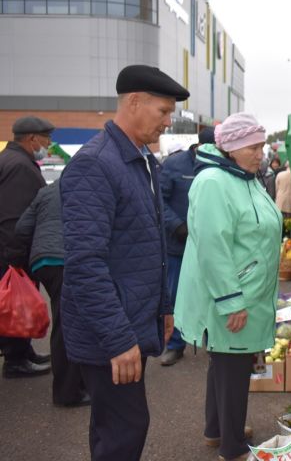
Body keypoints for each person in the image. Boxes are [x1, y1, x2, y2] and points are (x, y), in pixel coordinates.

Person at [60, 64, 187, 461]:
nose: (168, 122)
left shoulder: (141, 160)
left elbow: (147, 248)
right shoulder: (96, 164)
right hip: (108, 334)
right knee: (125, 430)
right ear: (134, 102)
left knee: (116, 427)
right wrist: (118, 340)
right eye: (163, 112)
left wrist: (163, 309)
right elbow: (85, 265)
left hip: (130, 322)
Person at [175, 113, 281, 461]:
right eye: (253, 147)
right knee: (233, 367)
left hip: (247, 288)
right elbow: (212, 246)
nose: (260, 153)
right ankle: (233, 446)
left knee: (223, 362)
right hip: (233, 293)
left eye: (262, 146)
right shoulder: (213, 183)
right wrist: (231, 300)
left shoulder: (244, 177)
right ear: (232, 148)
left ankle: (216, 430)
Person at [15, 182, 88, 405]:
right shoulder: (84, 187)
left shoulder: (46, 191)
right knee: (68, 326)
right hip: (66, 259)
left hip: (42, 262)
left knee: (64, 321)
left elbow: (21, 229)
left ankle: (73, 386)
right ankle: (68, 393)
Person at [0, 115, 54, 378]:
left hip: (9, 250)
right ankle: (16, 359)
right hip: (12, 252)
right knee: (17, 302)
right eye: (47, 138)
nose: (49, 144)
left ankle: (23, 351)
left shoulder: (12, 160)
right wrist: (17, 258)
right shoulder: (20, 166)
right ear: (32, 139)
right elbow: (14, 218)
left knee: (17, 303)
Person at [157, 126, 215, 367]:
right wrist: (178, 226)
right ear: (199, 146)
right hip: (179, 245)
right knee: (178, 295)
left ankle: (214, 341)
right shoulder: (174, 165)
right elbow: (158, 200)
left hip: (211, 246)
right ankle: (175, 345)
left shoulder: (220, 165)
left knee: (214, 292)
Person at [275, 160, 291, 236]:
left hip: (280, 202)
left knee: (280, 224)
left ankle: (281, 238)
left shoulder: (280, 174)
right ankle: (289, 238)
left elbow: (276, 188)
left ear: (286, 166)